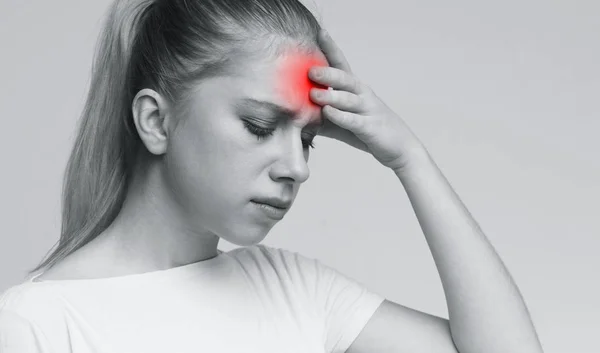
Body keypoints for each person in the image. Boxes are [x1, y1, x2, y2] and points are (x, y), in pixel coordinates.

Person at [0, 0, 544, 352]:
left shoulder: (290, 287)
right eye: (260, 125)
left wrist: (408, 158)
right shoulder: (38, 324)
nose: (298, 168)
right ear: (155, 120)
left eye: (308, 138)